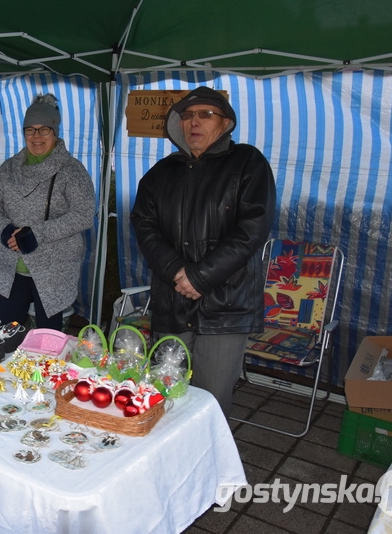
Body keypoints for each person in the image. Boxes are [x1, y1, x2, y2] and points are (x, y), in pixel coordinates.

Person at [130, 86, 277, 417]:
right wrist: (176, 272)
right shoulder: (160, 174)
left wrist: (200, 276)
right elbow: (144, 226)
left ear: (225, 124)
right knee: (164, 395)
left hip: (225, 307)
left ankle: (210, 465)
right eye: (188, 115)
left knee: (210, 403)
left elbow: (252, 228)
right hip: (172, 301)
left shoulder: (247, 163)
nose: (194, 122)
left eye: (206, 115)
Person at [0, 94, 95, 330]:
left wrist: (37, 233)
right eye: (30, 130)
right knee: (1, 333)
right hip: (12, 269)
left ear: (55, 132)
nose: (37, 136)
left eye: (44, 130)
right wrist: (6, 229)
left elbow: (84, 213)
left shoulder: (71, 170)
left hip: (53, 270)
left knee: (47, 343)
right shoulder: (9, 168)